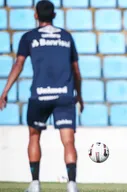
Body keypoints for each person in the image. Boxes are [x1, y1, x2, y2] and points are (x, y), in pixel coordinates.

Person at [0, 1, 83, 192]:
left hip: (40, 95)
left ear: (36, 15)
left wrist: (5, 91)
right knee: (69, 141)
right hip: (64, 95)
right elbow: (76, 70)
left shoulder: (29, 37)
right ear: (54, 15)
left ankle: (35, 183)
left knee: (34, 136)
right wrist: (79, 95)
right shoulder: (66, 36)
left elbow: (18, 65)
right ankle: (71, 184)